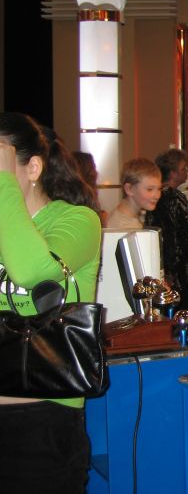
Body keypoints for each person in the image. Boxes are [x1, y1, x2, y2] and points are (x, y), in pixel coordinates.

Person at [0, 112, 102, 493]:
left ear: (33, 168)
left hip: (42, 420)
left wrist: (4, 185)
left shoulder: (77, 221)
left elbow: (32, 272)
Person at [146, 148, 188, 309]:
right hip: (178, 269)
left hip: (168, 265)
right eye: (183, 169)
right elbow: (173, 236)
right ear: (173, 173)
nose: (187, 172)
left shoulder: (159, 197)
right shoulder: (173, 198)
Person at [106, 157, 162, 229]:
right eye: (149, 189)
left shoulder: (129, 217)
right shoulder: (125, 227)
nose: (157, 196)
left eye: (159, 189)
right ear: (129, 189)